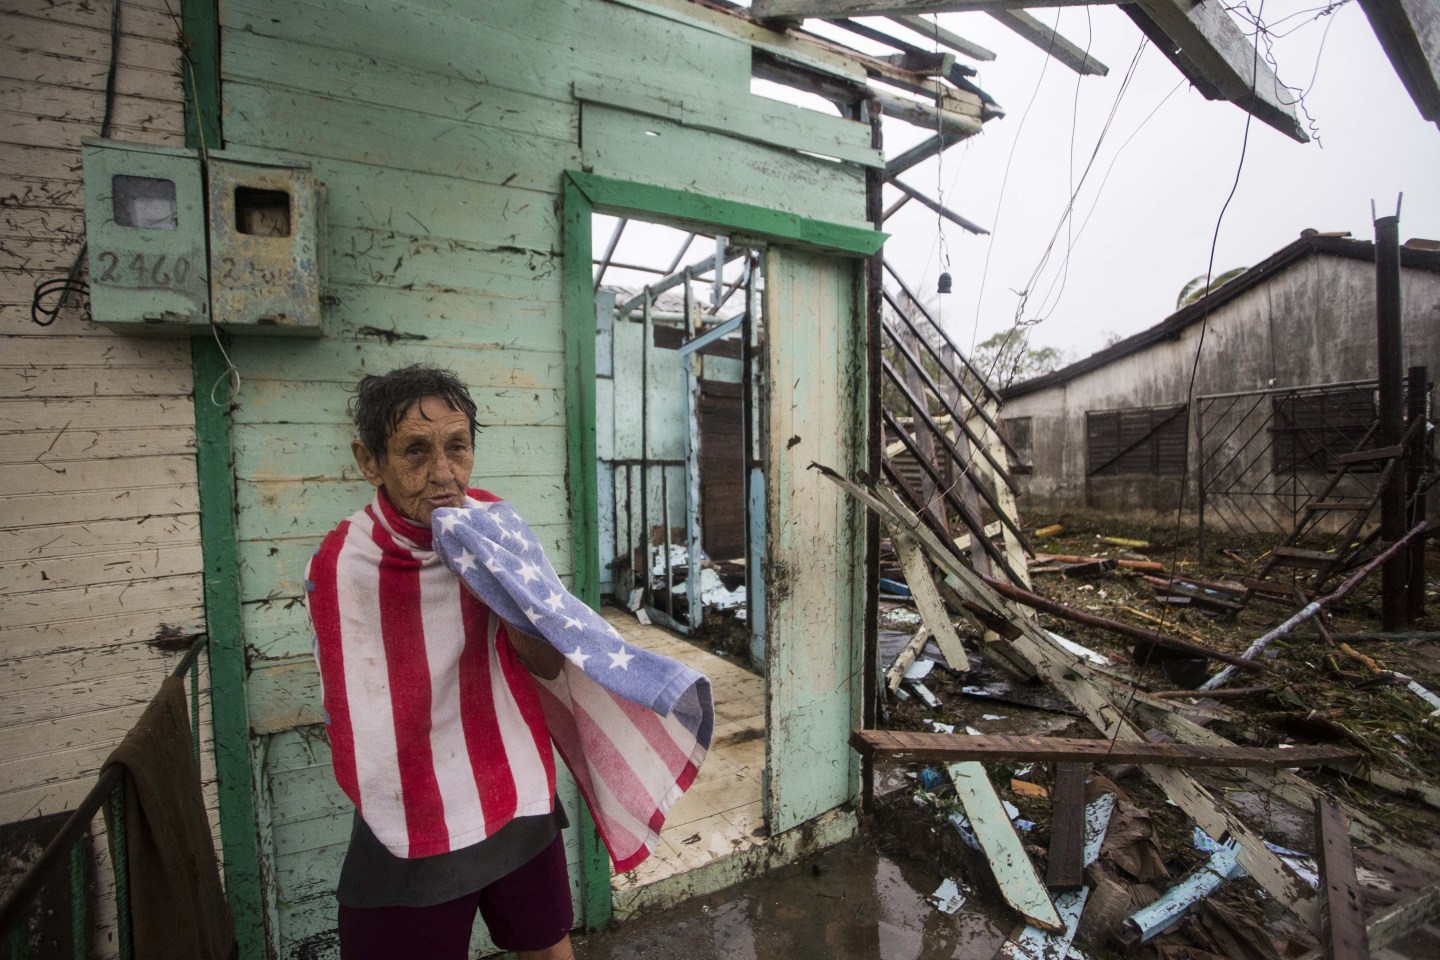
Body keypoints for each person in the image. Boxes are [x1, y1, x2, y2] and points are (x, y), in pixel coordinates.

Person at [305, 364, 576, 960]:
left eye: (457, 447)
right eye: (415, 452)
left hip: (513, 786)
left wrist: (499, 585)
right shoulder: (344, 563)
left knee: (548, 945)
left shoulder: (497, 528)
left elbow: (549, 664)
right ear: (369, 461)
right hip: (409, 808)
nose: (444, 474)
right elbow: (359, 712)